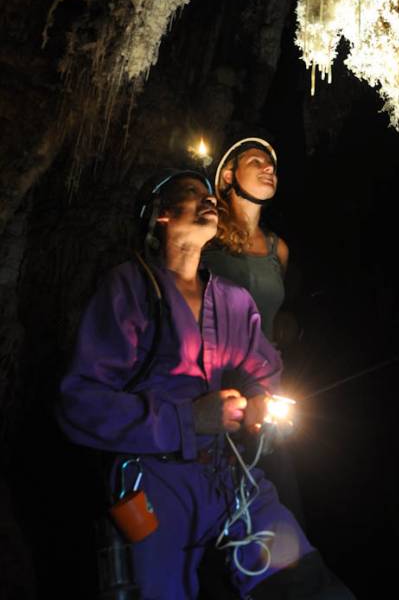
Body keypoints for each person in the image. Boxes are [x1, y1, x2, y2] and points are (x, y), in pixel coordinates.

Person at [58, 168, 353, 600]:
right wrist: (188, 419)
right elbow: (79, 404)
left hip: (229, 474)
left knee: (304, 582)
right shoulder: (131, 288)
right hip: (153, 481)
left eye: (209, 194)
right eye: (191, 194)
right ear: (161, 215)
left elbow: (265, 374)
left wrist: (258, 407)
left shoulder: (233, 301)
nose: (208, 199)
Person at [201, 138, 290, 344]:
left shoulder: (279, 249)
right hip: (210, 372)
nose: (269, 168)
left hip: (264, 373)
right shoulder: (206, 235)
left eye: (271, 165)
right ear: (229, 176)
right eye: (255, 162)